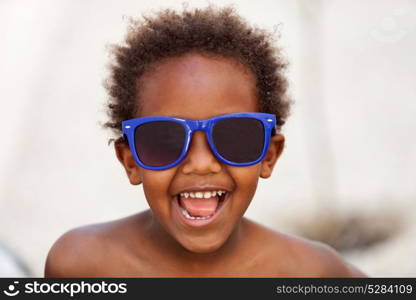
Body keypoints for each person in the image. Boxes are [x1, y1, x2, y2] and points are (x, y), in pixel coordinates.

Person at [44, 6, 365, 277]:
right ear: (130, 161)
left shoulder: (310, 272)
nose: (200, 162)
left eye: (235, 135)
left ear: (270, 154)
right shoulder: (81, 265)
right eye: (163, 138)